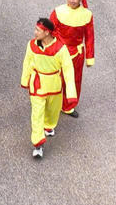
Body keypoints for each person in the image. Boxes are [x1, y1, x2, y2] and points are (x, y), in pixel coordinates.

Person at [19, 18, 77, 158]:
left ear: (47, 32)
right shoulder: (31, 45)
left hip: (54, 85)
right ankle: (38, 144)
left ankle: (49, 125)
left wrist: (70, 93)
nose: (35, 33)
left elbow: (68, 71)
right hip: (37, 85)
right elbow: (27, 62)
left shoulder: (61, 49)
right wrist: (25, 80)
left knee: (52, 110)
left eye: (38, 30)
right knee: (37, 114)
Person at [50, 0, 94, 117]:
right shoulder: (58, 11)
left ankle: (68, 106)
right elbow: (49, 32)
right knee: (55, 79)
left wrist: (90, 57)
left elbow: (90, 37)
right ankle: (52, 104)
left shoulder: (87, 14)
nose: (72, 0)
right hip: (58, 51)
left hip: (77, 54)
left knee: (74, 81)